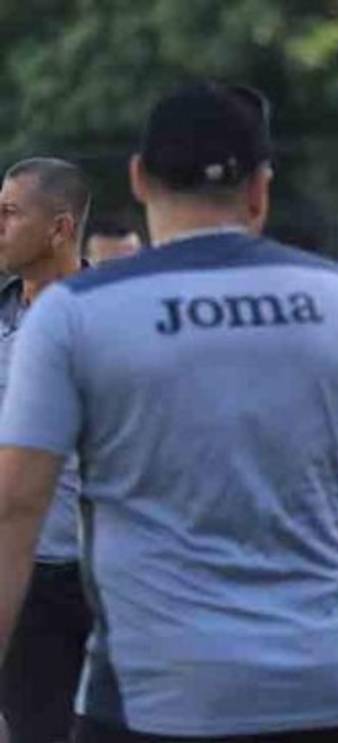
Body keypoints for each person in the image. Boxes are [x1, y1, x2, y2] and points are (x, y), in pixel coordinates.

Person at [0, 82, 338, 742]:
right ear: (260, 188)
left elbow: (14, 510)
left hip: (152, 696)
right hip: (317, 685)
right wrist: (316, 622)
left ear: (138, 178)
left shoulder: (75, 314)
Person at [0, 158, 92, 743]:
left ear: (60, 228)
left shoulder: (117, 321)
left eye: (9, 213)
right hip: (22, 580)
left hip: (111, 581)